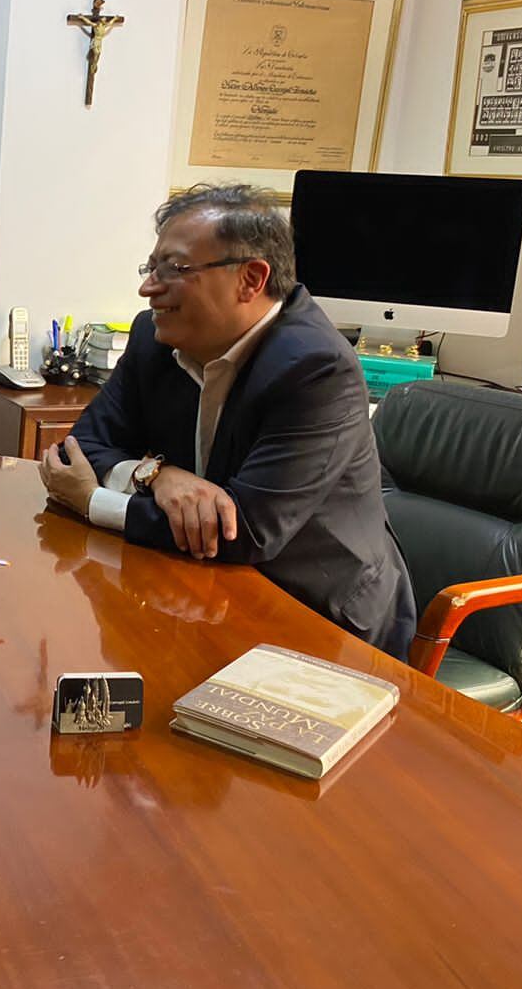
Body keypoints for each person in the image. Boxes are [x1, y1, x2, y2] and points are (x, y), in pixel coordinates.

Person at [38, 183, 415, 659]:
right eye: (150, 268)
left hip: (315, 617)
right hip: (198, 589)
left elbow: (244, 531)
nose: (148, 288)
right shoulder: (152, 336)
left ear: (250, 280)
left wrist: (94, 501)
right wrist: (155, 475)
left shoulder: (318, 369)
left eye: (173, 270)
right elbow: (83, 445)